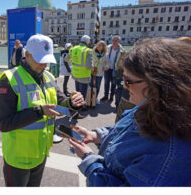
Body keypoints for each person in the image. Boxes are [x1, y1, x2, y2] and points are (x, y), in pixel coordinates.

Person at [68, 38, 191, 186]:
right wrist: (97, 135)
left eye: (128, 81)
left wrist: (89, 160)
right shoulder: (149, 105)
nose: (124, 87)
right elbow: (124, 131)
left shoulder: (170, 156)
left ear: (157, 84)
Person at [0, 34, 85, 187]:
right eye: (40, 60)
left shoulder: (48, 76)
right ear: (27, 55)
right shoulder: (9, 79)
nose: (44, 65)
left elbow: (59, 101)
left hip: (40, 153)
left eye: (47, 61)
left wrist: (72, 102)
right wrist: (39, 112)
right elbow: (3, 123)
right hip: (18, 158)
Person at [66, 35, 93, 101]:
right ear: (88, 42)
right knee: (82, 94)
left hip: (75, 74)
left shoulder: (73, 49)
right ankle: (82, 107)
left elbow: (66, 59)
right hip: (84, 75)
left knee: (77, 93)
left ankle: (77, 106)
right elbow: (89, 66)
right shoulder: (88, 51)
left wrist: (73, 60)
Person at [101, 35, 125, 103]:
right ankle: (106, 96)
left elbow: (123, 61)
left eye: (116, 40)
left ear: (119, 41)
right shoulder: (108, 48)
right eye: (113, 40)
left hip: (116, 70)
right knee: (106, 83)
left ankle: (111, 97)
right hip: (107, 68)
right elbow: (104, 58)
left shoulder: (122, 51)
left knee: (114, 84)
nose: (114, 42)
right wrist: (103, 65)